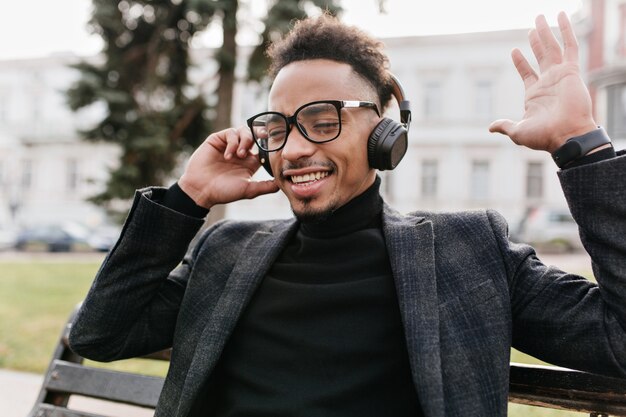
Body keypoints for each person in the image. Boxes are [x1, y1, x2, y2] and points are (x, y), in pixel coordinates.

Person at [69, 11, 626, 417]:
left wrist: (582, 148)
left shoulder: (467, 253)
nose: (293, 149)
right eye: (279, 127)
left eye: (323, 119)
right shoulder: (226, 252)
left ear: (386, 130)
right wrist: (187, 199)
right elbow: (99, 333)